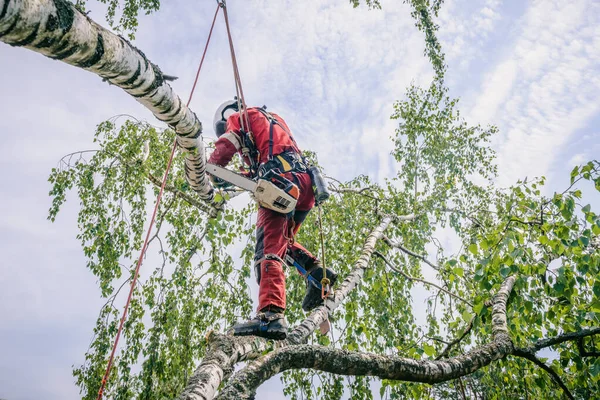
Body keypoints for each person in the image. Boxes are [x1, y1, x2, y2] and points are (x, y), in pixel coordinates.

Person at [208, 99, 337, 340]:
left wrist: (213, 167)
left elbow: (227, 145)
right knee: (282, 243)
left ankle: (271, 314)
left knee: (267, 248)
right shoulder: (274, 121)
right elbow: (270, 157)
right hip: (304, 185)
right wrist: (236, 177)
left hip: (280, 184)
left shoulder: (240, 117)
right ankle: (317, 273)